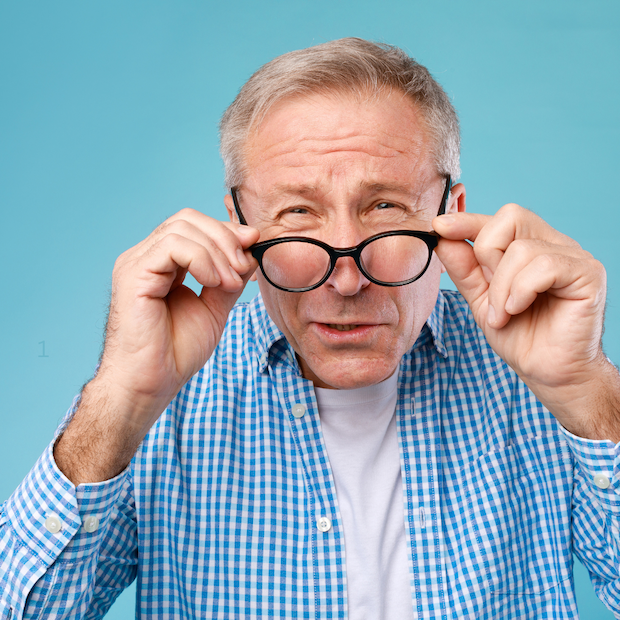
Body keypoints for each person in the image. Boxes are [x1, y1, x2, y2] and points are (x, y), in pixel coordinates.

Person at [1, 37, 619, 619]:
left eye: (385, 208)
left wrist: (589, 392)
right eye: (299, 214)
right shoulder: (163, 400)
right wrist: (121, 398)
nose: (347, 279)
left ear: (450, 215)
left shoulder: (535, 371)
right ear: (239, 224)